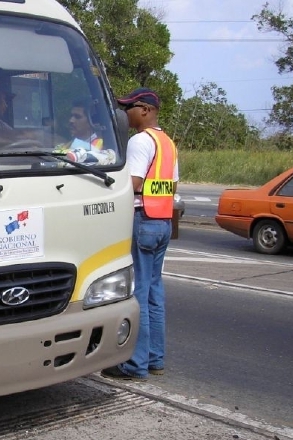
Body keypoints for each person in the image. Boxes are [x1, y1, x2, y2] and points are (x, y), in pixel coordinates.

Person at [101, 87, 179, 381]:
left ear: (145, 110)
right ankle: (156, 358)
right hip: (162, 222)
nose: (125, 113)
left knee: (139, 293)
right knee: (155, 292)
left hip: (142, 219)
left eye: (130, 107)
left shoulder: (139, 141)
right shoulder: (167, 142)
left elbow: (132, 183)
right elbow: (171, 187)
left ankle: (135, 364)